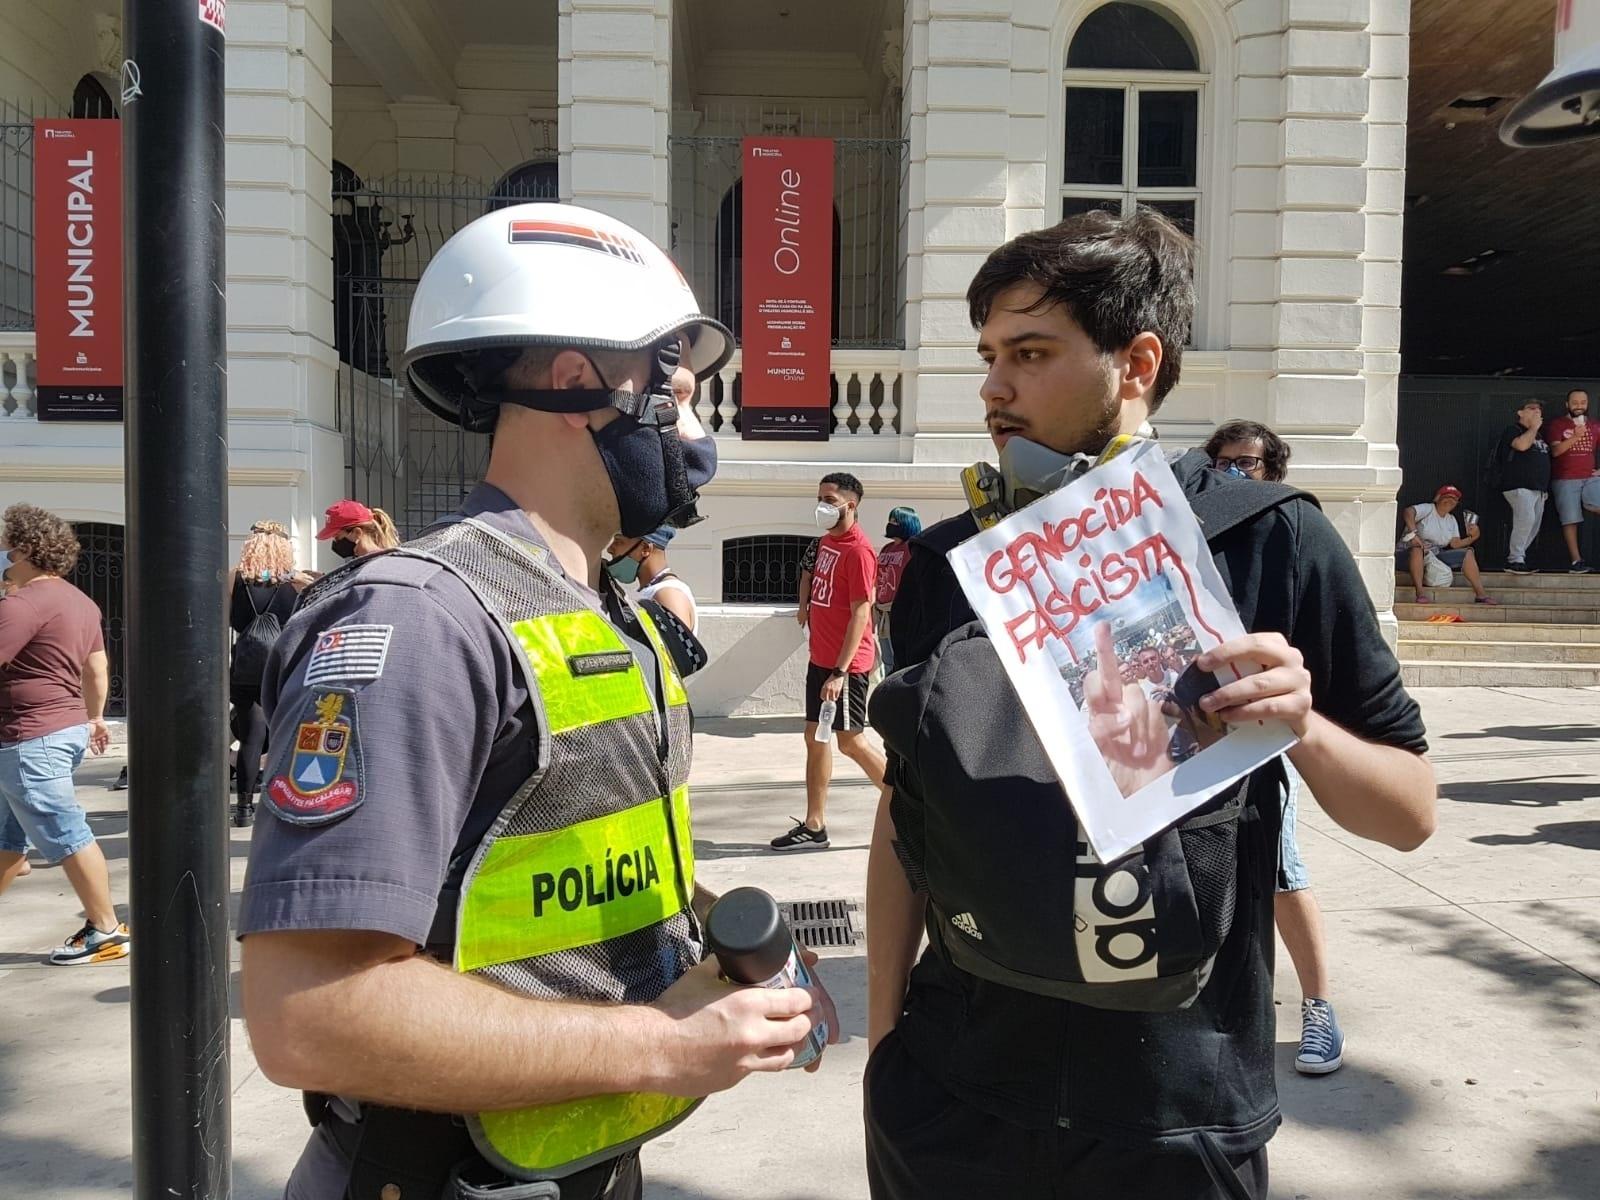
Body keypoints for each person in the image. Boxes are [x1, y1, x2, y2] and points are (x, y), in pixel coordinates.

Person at [238, 203, 834, 1200]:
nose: (694, 432)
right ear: (577, 384)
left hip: (573, 1161)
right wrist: (664, 1045)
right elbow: (307, 1012)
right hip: (442, 1175)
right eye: (676, 392)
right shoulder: (423, 622)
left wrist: (710, 927)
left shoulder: (610, 613)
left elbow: (552, 850)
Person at [865, 210, 1437, 1199]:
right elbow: (905, 819)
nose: (994, 387)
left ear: (1136, 362)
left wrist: (1302, 728)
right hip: (954, 1098)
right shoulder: (949, 565)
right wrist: (884, 1054)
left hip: (1174, 1115)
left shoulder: (1270, 540)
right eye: (989, 355)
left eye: (1031, 353)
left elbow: (1410, 813)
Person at [1207, 417, 1347, 1073]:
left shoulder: (1290, 541)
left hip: (1262, 737)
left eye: (1249, 464)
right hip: (1195, 730)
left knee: (1283, 870)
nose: (1236, 474)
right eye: (1224, 463)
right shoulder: (1200, 541)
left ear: (1273, 470)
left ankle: (1319, 1008)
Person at [0, 504, 126, 965]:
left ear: (27, 549)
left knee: (67, 833)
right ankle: (105, 926)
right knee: (7, 840)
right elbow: (97, 668)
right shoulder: (81, 602)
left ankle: (106, 929)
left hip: (29, 737)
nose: (3, 551)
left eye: (7, 543)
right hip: (60, 729)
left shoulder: (21, 604)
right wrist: (94, 718)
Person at [770, 472, 887, 852]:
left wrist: (840, 671)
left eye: (830, 499)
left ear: (850, 505)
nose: (822, 505)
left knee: (851, 742)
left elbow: (860, 614)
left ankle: (911, 808)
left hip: (845, 667)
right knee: (814, 737)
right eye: (820, 497)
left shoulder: (859, 551)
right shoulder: (825, 544)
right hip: (820, 660)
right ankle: (814, 824)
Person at [227, 521, 304, 827]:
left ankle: (244, 808)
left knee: (250, 738)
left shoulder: (236, 578)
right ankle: (282, 800)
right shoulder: (294, 582)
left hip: (245, 666)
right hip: (282, 666)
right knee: (287, 734)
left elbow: (225, 621)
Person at [1396, 485, 1496, 605]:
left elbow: (1455, 544)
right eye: (1447, 497)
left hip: (1434, 555)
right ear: (1438, 498)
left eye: (1454, 499)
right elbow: (1409, 511)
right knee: (1417, 549)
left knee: (1468, 553)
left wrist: (1473, 537)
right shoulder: (1428, 509)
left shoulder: (1451, 519)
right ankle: (1420, 593)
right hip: (1408, 553)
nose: (1451, 501)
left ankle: (1481, 594)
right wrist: (1414, 534)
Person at [1541, 388, 1599, 572]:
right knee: (1570, 519)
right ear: (1567, 404)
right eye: (1575, 402)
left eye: (1583, 402)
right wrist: (1575, 436)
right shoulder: (1558, 425)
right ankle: (1576, 561)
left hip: (1589, 476)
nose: (1579, 406)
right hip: (1565, 478)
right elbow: (1556, 451)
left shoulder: (1595, 425)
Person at [1490, 401, 1550, 574]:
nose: (1536, 412)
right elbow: (1521, 445)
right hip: (1518, 485)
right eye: (1531, 409)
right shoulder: (1513, 430)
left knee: (1533, 525)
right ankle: (1514, 558)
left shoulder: (1539, 436)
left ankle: (1520, 556)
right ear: (1520, 413)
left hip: (1538, 489)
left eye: (1539, 410)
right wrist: (1533, 428)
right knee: (1525, 519)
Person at [606, 526, 698, 633]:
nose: (610, 549)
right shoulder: (654, 590)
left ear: (645, 549)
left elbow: (675, 648)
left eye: (618, 541)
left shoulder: (668, 594)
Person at [874, 507, 920, 677]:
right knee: (887, 659)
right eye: (890, 520)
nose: (890, 524)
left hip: (901, 611)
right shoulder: (886, 548)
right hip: (883, 611)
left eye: (895, 521)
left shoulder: (912, 548)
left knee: (901, 658)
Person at [317, 500, 401, 559]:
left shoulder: (377, 564)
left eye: (337, 537)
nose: (335, 542)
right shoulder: (362, 561)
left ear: (357, 533)